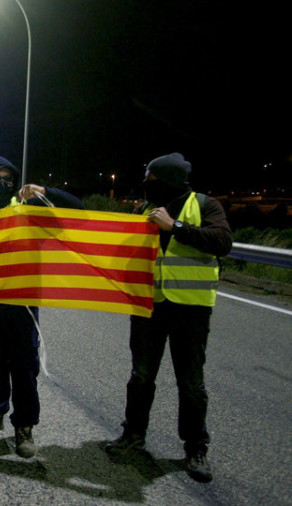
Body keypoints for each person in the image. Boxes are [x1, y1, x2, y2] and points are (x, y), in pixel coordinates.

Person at [105, 153, 232, 483]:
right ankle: (133, 435)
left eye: (152, 179)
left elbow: (223, 241)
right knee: (141, 375)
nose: (147, 185)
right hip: (149, 307)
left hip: (191, 309)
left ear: (169, 179)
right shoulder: (143, 211)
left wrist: (174, 226)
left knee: (191, 383)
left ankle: (195, 448)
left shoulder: (204, 205)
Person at [0, 155, 83, 458]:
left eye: (8, 180)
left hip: (21, 305)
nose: (2, 185)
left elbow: (79, 213)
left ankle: (24, 427)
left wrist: (46, 191)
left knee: (24, 368)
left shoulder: (30, 209)